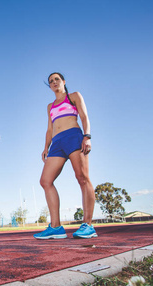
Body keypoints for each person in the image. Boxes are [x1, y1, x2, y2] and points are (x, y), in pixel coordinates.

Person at [34, 72, 97, 239]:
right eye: (51, 81)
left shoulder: (74, 96)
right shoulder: (50, 106)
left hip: (73, 137)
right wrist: (46, 147)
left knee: (82, 178)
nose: (54, 82)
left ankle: (88, 225)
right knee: (45, 181)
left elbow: (84, 117)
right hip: (57, 143)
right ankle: (55, 227)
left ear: (63, 81)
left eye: (57, 79)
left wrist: (87, 136)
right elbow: (49, 129)